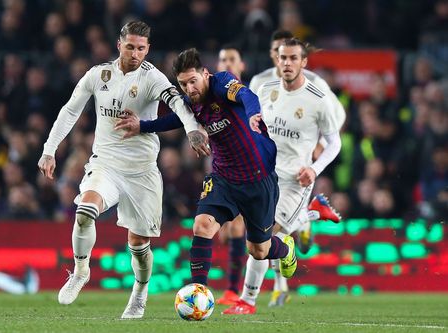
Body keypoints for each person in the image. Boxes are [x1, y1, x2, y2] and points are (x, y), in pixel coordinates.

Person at [37, 21, 208, 319]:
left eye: (141, 48)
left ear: (148, 49)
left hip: (142, 172)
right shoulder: (98, 74)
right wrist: (49, 150)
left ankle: (139, 293)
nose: (135, 53)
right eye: (130, 47)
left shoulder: (153, 78)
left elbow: (180, 105)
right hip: (106, 163)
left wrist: (192, 129)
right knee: (85, 211)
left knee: (138, 245)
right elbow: (70, 110)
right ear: (119, 45)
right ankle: (80, 271)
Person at [115, 48, 298, 291]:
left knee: (258, 250)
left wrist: (254, 113)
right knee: (201, 225)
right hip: (224, 177)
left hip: (258, 178)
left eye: (193, 81)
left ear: (205, 74)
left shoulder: (222, 83)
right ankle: (197, 292)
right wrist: (142, 126)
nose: (190, 88)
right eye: (183, 84)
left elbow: (246, 95)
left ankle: (285, 248)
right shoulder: (190, 102)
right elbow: (176, 118)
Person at [223, 37, 342, 314]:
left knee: (261, 239)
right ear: (276, 59)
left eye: (292, 58)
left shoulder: (318, 100)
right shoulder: (265, 90)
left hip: (294, 182)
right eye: (282, 57)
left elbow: (334, 143)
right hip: (263, 176)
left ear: (304, 62)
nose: (286, 63)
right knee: (257, 241)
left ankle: (247, 301)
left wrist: (314, 169)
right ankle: (314, 213)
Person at [214, 44, 247, 305]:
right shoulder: (213, 101)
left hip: (261, 172)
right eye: (222, 59)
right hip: (230, 174)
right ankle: (234, 290)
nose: (226, 63)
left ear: (241, 66)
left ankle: (305, 219)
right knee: (235, 225)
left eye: (232, 59)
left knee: (265, 239)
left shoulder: (250, 95)